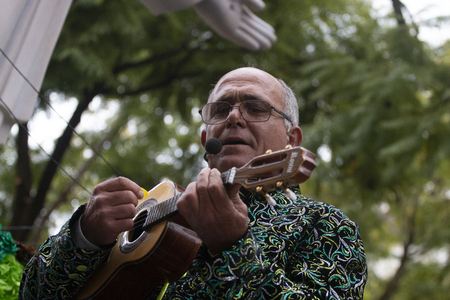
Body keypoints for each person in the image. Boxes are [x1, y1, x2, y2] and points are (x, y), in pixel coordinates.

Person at [19, 67, 367, 299]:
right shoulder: (151, 209)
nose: (234, 117)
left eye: (256, 107)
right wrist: (84, 236)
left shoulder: (325, 226)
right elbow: (31, 294)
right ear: (205, 138)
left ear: (291, 139)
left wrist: (234, 247)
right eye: (220, 109)